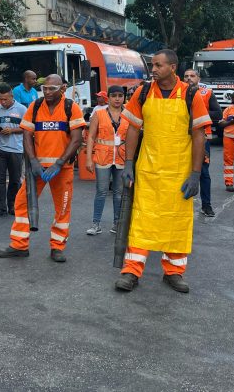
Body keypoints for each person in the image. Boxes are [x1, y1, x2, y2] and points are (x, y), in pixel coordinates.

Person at [114, 49, 210, 293]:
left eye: (158, 65)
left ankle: (174, 272)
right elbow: (133, 128)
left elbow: (199, 135)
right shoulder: (143, 92)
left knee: (176, 222)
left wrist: (196, 174)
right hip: (148, 170)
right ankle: (131, 271)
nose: (153, 69)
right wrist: (128, 164)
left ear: (173, 67)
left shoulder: (191, 94)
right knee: (141, 220)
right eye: (152, 65)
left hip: (179, 173)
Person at [0, 74, 84, 262]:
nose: (47, 92)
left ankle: (57, 247)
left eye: (52, 88)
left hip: (62, 169)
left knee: (62, 208)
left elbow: (77, 139)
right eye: (44, 88)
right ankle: (19, 245)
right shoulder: (35, 107)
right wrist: (33, 161)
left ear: (62, 89)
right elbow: (27, 135)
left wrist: (59, 163)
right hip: (36, 168)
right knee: (21, 203)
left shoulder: (71, 107)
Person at [85, 85, 129, 235]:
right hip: (103, 157)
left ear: (124, 97)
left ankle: (117, 224)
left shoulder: (128, 114)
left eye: (120, 95)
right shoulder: (99, 113)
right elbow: (90, 136)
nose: (117, 99)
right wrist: (89, 159)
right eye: (114, 95)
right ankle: (96, 224)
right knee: (101, 191)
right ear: (108, 98)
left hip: (122, 158)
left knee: (118, 192)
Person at [183, 69, 222, 217]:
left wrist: (200, 111)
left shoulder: (207, 93)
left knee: (203, 172)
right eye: (186, 76)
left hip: (203, 139)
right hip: (180, 138)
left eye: (192, 76)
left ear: (198, 78)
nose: (189, 78)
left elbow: (218, 114)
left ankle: (206, 205)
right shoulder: (177, 94)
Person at [0, 84, 26, 217]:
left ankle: (13, 205)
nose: (2, 102)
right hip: (0, 148)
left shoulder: (22, 109)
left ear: (12, 96)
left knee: (15, 180)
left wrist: (12, 130)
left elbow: (27, 128)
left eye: (5, 99)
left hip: (16, 149)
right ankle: (0, 207)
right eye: (1, 99)